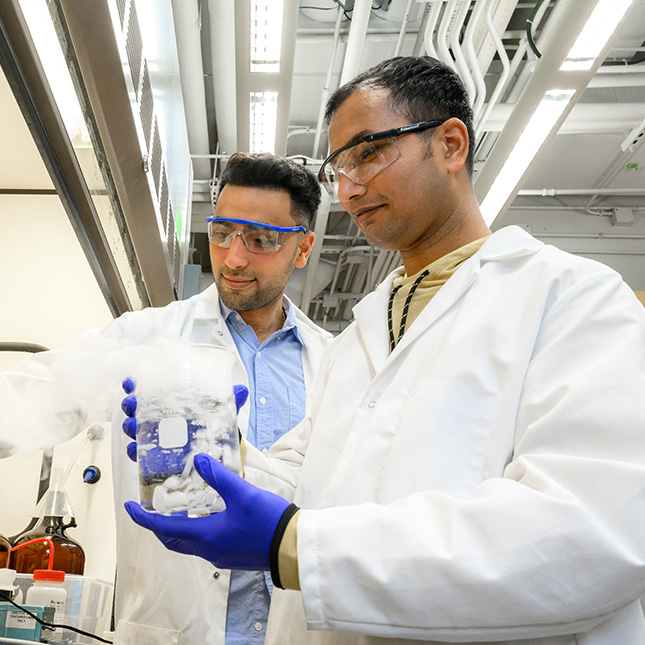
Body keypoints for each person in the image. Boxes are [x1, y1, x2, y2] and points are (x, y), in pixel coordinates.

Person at [125, 57, 645, 645]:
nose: (347, 188)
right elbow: (310, 484)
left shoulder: (574, 300)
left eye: (368, 153)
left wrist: (296, 547)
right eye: (338, 166)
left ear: (450, 145)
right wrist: (221, 454)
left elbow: (589, 536)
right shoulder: (358, 336)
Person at [0, 152, 332, 645]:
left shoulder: (333, 363)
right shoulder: (147, 339)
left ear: (302, 249)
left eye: (261, 240)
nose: (234, 258)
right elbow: (45, 390)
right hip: (175, 630)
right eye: (222, 233)